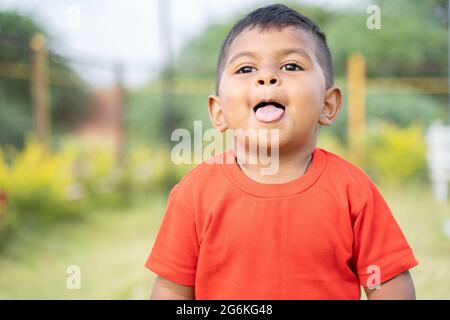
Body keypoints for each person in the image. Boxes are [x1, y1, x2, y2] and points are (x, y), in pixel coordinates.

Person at [146, 3, 418, 300]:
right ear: (219, 111)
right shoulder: (194, 193)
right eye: (246, 68)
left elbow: (390, 283)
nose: (267, 78)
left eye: (291, 66)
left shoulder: (353, 190)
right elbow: (171, 290)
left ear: (328, 105)